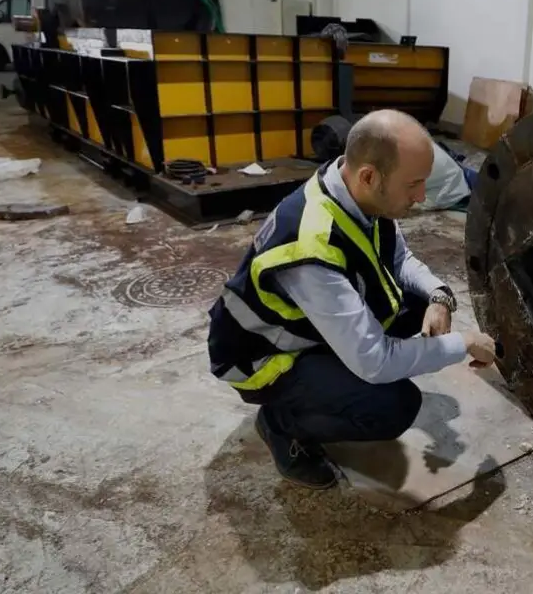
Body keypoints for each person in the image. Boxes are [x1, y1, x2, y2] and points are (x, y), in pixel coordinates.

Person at [206, 109, 499, 489]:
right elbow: (375, 363)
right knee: (393, 406)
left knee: (411, 302)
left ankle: (314, 389)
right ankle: (281, 426)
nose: (422, 196)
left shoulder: (356, 190)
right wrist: (463, 343)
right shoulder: (312, 247)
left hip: (305, 329)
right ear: (369, 176)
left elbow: (399, 258)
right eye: (414, 184)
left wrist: (439, 297)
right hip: (263, 357)